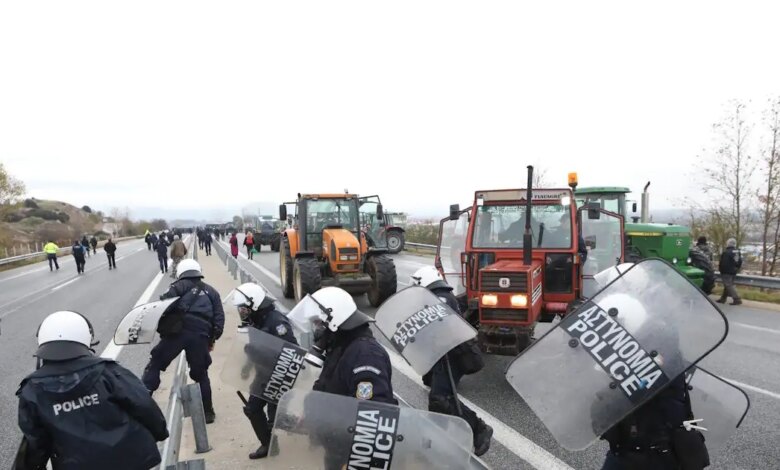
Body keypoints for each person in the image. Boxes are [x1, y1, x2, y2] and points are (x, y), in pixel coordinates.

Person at [16, 311, 169, 469]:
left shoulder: (32, 390)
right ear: (85, 338)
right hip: (132, 460)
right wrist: (160, 432)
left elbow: (36, 441)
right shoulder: (108, 372)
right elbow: (143, 404)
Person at [410, 266, 493, 456]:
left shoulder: (441, 297)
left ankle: (479, 428)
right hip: (445, 355)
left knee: (441, 398)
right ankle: (437, 441)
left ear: (424, 281)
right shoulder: (437, 296)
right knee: (439, 400)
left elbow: (439, 328)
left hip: (453, 355)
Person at [141, 259, 224, 423]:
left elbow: (163, 306)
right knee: (201, 375)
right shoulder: (212, 292)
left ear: (181, 272)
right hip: (200, 336)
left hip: (176, 334)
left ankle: (142, 405)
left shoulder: (177, 287)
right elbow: (219, 318)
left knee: (155, 365)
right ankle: (208, 413)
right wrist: (212, 338)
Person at [231, 283, 297, 459]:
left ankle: (305, 433)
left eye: (244, 309)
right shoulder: (255, 321)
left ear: (255, 304)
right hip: (263, 374)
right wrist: (246, 367)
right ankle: (268, 445)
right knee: (252, 409)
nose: (242, 312)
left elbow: (292, 351)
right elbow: (254, 348)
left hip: (279, 375)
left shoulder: (277, 322)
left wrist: (263, 354)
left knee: (276, 419)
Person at [305, 287, 396, 404]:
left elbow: (371, 411)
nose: (317, 330)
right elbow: (325, 388)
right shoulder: (340, 346)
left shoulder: (366, 356)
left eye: (318, 323)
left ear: (333, 321)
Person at [717, 238, 743, 305]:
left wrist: (721, 270)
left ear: (728, 243)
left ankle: (737, 299)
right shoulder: (737, 251)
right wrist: (737, 268)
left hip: (727, 271)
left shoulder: (726, 252)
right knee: (727, 285)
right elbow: (740, 261)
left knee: (728, 285)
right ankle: (723, 299)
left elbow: (723, 263)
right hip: (734, 271)